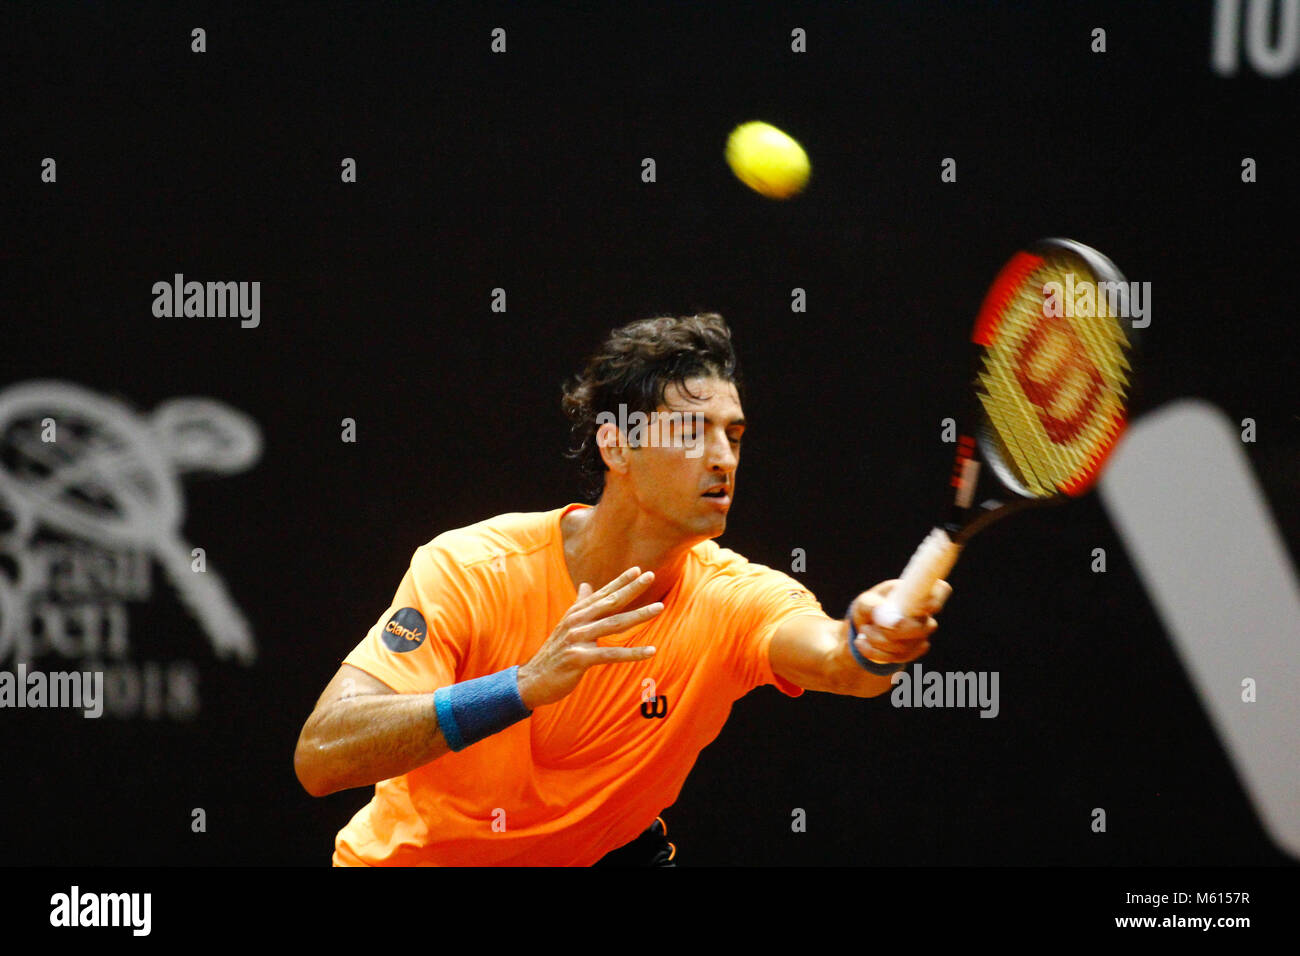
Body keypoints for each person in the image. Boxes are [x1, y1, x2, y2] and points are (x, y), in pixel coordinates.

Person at [294, 312, 949, 865]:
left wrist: (872, 641)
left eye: (735, 434)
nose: (723, 456)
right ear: (617, 445)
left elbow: (841, 661)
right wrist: (521, 687)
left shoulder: (734, 598)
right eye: (692, 430)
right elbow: (324, 755)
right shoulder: (472, 568)